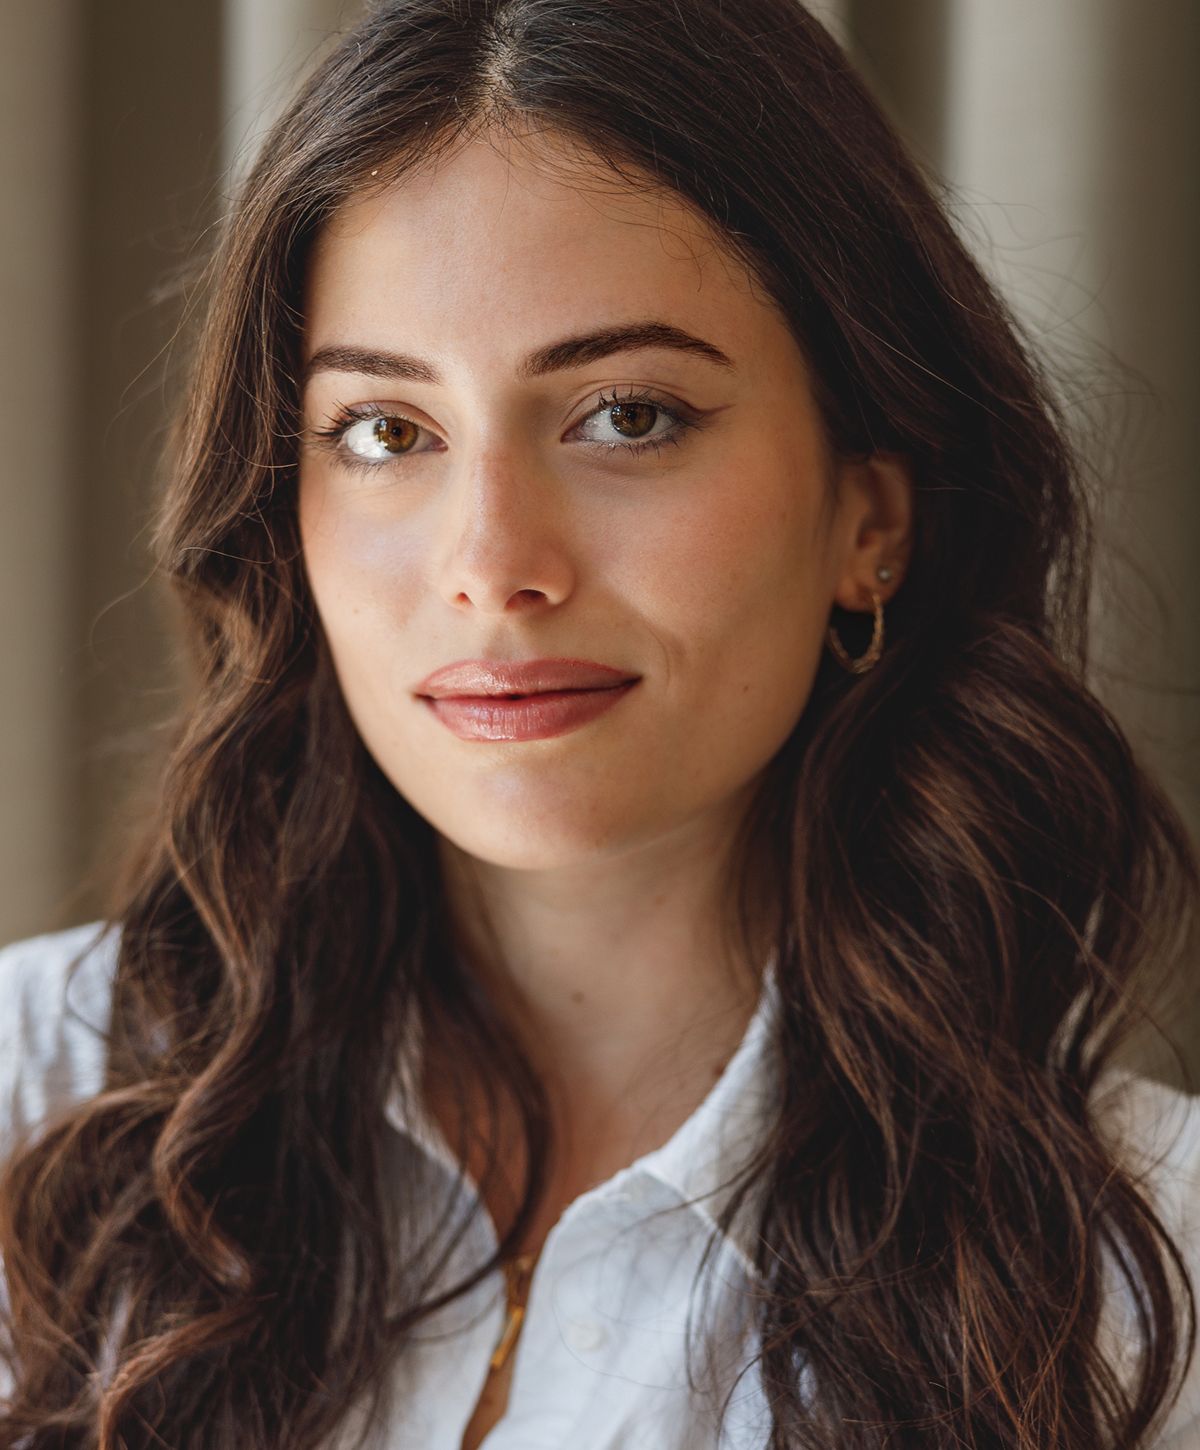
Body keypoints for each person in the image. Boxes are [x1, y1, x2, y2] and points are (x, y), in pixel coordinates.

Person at [1, 0, 1198, 1445]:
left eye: (628, 416)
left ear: (870, 516)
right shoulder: (35, 1107)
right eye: (387, 431)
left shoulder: (1146, 1273)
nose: (495, 563)